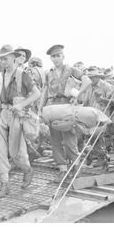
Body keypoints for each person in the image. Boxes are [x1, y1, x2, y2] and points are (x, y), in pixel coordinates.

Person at [39, 44, 92, 182]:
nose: (55, 59)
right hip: (52, 106)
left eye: (58, 56)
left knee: (69, 139)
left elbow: (87, 80)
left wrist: (78, 94)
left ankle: (76, 166)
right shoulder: (48, 72)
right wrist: (40, 107)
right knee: (55, 140)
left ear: (63, 56)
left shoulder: (71, 70)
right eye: (53, 57)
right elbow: (45, 91)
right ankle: (62, 169)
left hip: (67, 106)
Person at [0, 45, 40, 198]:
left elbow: (36, 94)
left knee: (17, 153)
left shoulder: (22, 75)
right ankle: (4, 183)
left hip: (17, 116)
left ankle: (27, 170)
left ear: (14, 58)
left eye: (5, 58)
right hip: (3, 115)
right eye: (1, 59)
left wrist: (21, 104)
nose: (3, 62)